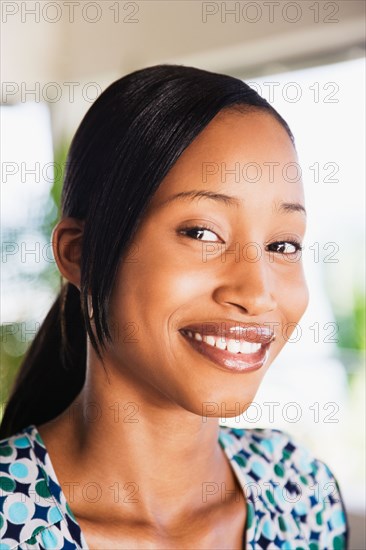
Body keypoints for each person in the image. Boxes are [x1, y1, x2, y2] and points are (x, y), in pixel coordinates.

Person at [0, 64, 348, 549]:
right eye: (202, 233)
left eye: (283, 245)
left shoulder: (302, 496)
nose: (256, 292)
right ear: (80, 253)